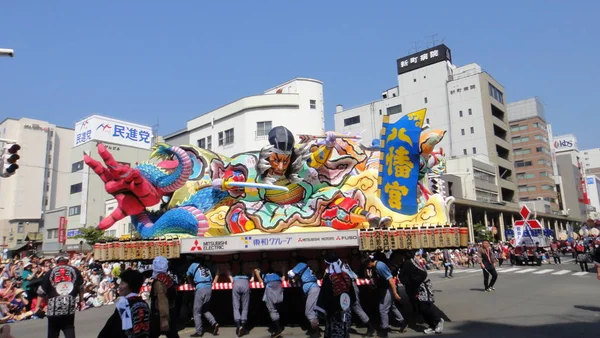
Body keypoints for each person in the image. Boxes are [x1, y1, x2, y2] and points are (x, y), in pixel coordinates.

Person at [36, 253, 84, 338]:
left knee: (53, 330)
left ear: (56, 261)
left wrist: (37, 306)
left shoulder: (50, 272)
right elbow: (80, 287)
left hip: (54, 305)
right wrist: (81, 300)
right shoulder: (75, 270)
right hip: (69, 304)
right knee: (69, 328)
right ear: (67, 260)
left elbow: (41, 291)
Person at [398, 250, 444, 335]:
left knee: (425, 305)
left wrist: (414, 281)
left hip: (422, 285)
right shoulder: (404, 263)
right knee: (420, 308)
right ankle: (432, 325)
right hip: (415, 287)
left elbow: (423, 273)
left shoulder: (411, 262)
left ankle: (438, 321)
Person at [363, 254, 406, 338]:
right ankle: (402, 321)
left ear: (369, 262)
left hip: (388, 289)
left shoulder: (379, 266)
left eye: (367, 265)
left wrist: (395, 293)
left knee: (382, 309)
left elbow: (390, 279)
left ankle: (384, 332)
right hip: (384, 289)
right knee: (391, 306)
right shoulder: (375, 266)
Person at [98, 269, 150, 338]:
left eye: (122, 283)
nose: (119, 286)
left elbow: (123, 329)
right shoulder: (144, 303)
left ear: (131, 285)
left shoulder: (124, 304)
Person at [316, 252, 355, 338]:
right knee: (345, 330)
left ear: (326, 263)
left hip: (334, 312)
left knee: (334, 332)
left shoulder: (328, 277)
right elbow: (352, 295)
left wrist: (321, 311)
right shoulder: (346, 275)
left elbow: (324, 296)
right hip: (346, 310)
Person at [339, 261, 375, 336]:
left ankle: (370, 327)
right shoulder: (344, 263)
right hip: (351, 284)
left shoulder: (335, 265)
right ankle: (345, 327)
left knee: (355, 307)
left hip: (349, 285)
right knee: (345, 308)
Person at [288, 257, 321, 338]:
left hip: (312, 289)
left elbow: (291, 274)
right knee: (313, 312)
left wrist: (289, 275)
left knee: (309, 312)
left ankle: (316, 333)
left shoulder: (301, 264)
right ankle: (314, 330)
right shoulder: (307, 268)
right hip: (314, 288)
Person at [186, 260, 219, 337]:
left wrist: (192, 283)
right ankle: (214, 323)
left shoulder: (193, 265)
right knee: (205, 309)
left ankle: (199, 332)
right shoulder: (207, 267)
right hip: (209, 288)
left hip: (200, 288)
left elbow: (188, 275)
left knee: (196, 312)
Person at [149, 256, 179, 338]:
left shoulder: (159, 282)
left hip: (159, 314)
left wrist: (164, 319)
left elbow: (162, 300)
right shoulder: (168, 278)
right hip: (170, 311)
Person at [253, 266, 284, 338]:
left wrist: (257, 273)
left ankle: (278, 329)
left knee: (272, 310)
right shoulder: (277, 275)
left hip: (271, 291)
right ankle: (278, 326)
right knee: (277, 309)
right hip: (279, 291)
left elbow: (261, 281)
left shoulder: (266, 275)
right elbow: (282, 279)